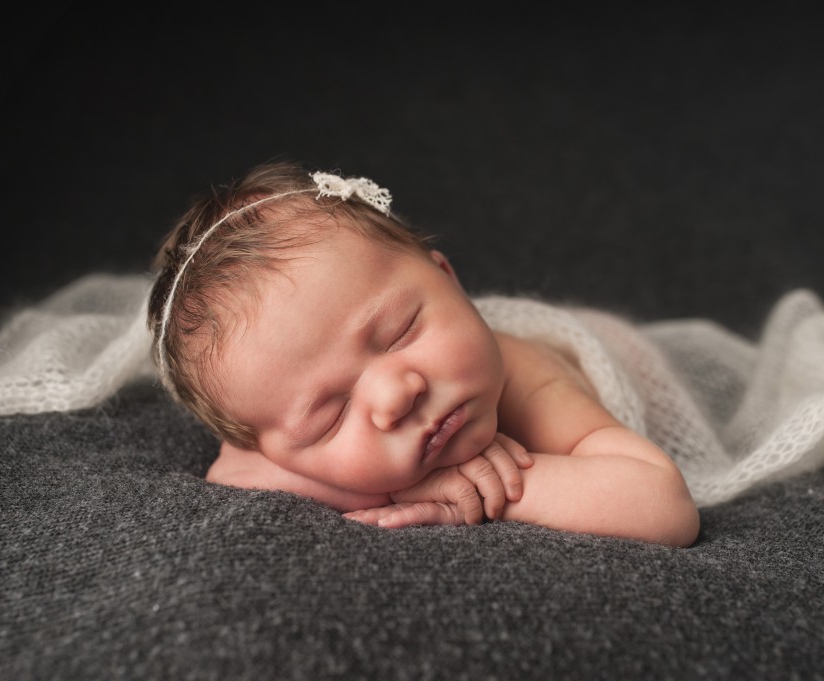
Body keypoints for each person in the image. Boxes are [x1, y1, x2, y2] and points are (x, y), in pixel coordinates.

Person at [146, 160, 702, 547]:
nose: (397, 395)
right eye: (330, 415)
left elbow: (662, 505)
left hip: (621, 357)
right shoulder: (264, 419)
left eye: (399, 332)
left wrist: (493, 491)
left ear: (448, 278)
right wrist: (400, 483)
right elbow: (235, 472)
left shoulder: (523, 374)